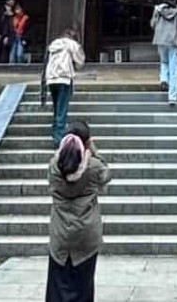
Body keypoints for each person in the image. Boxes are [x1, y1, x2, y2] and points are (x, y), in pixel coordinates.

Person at [46, 119, 110, 302]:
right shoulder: (94, 167)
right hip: (86, 236)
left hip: (60, 236)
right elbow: (107, 174)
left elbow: (60, 162)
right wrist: (93, 150)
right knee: (83, 286)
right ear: (87, 142)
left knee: (57, 288)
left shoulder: (53, 167)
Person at [44, 28, 86, 146]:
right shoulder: (71, 44)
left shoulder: (53, 44)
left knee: (57, 106)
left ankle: (55, 131)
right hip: (64, 77)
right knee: (62, 108)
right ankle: (59, 137)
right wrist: (76, 66)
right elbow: (80, 60)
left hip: (51, 78)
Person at [0, 0, 14, 64]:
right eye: (7, 6)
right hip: (1, 34)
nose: (8, 8)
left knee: (5, 52)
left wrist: (7, 36)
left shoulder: (12, 16)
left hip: (8, 35)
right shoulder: (2, 14)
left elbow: (11, 27)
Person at [9, 0, 30, 64]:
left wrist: (25, 39)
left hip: (21, 37)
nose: (17, 11)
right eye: (16, 9)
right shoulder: (13, 18)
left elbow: (28, 30)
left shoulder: (26, 18)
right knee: (12, 56)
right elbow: (10, 28)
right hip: (14, 37)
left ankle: (21, 66)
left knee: (19, 54)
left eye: (19, 9)